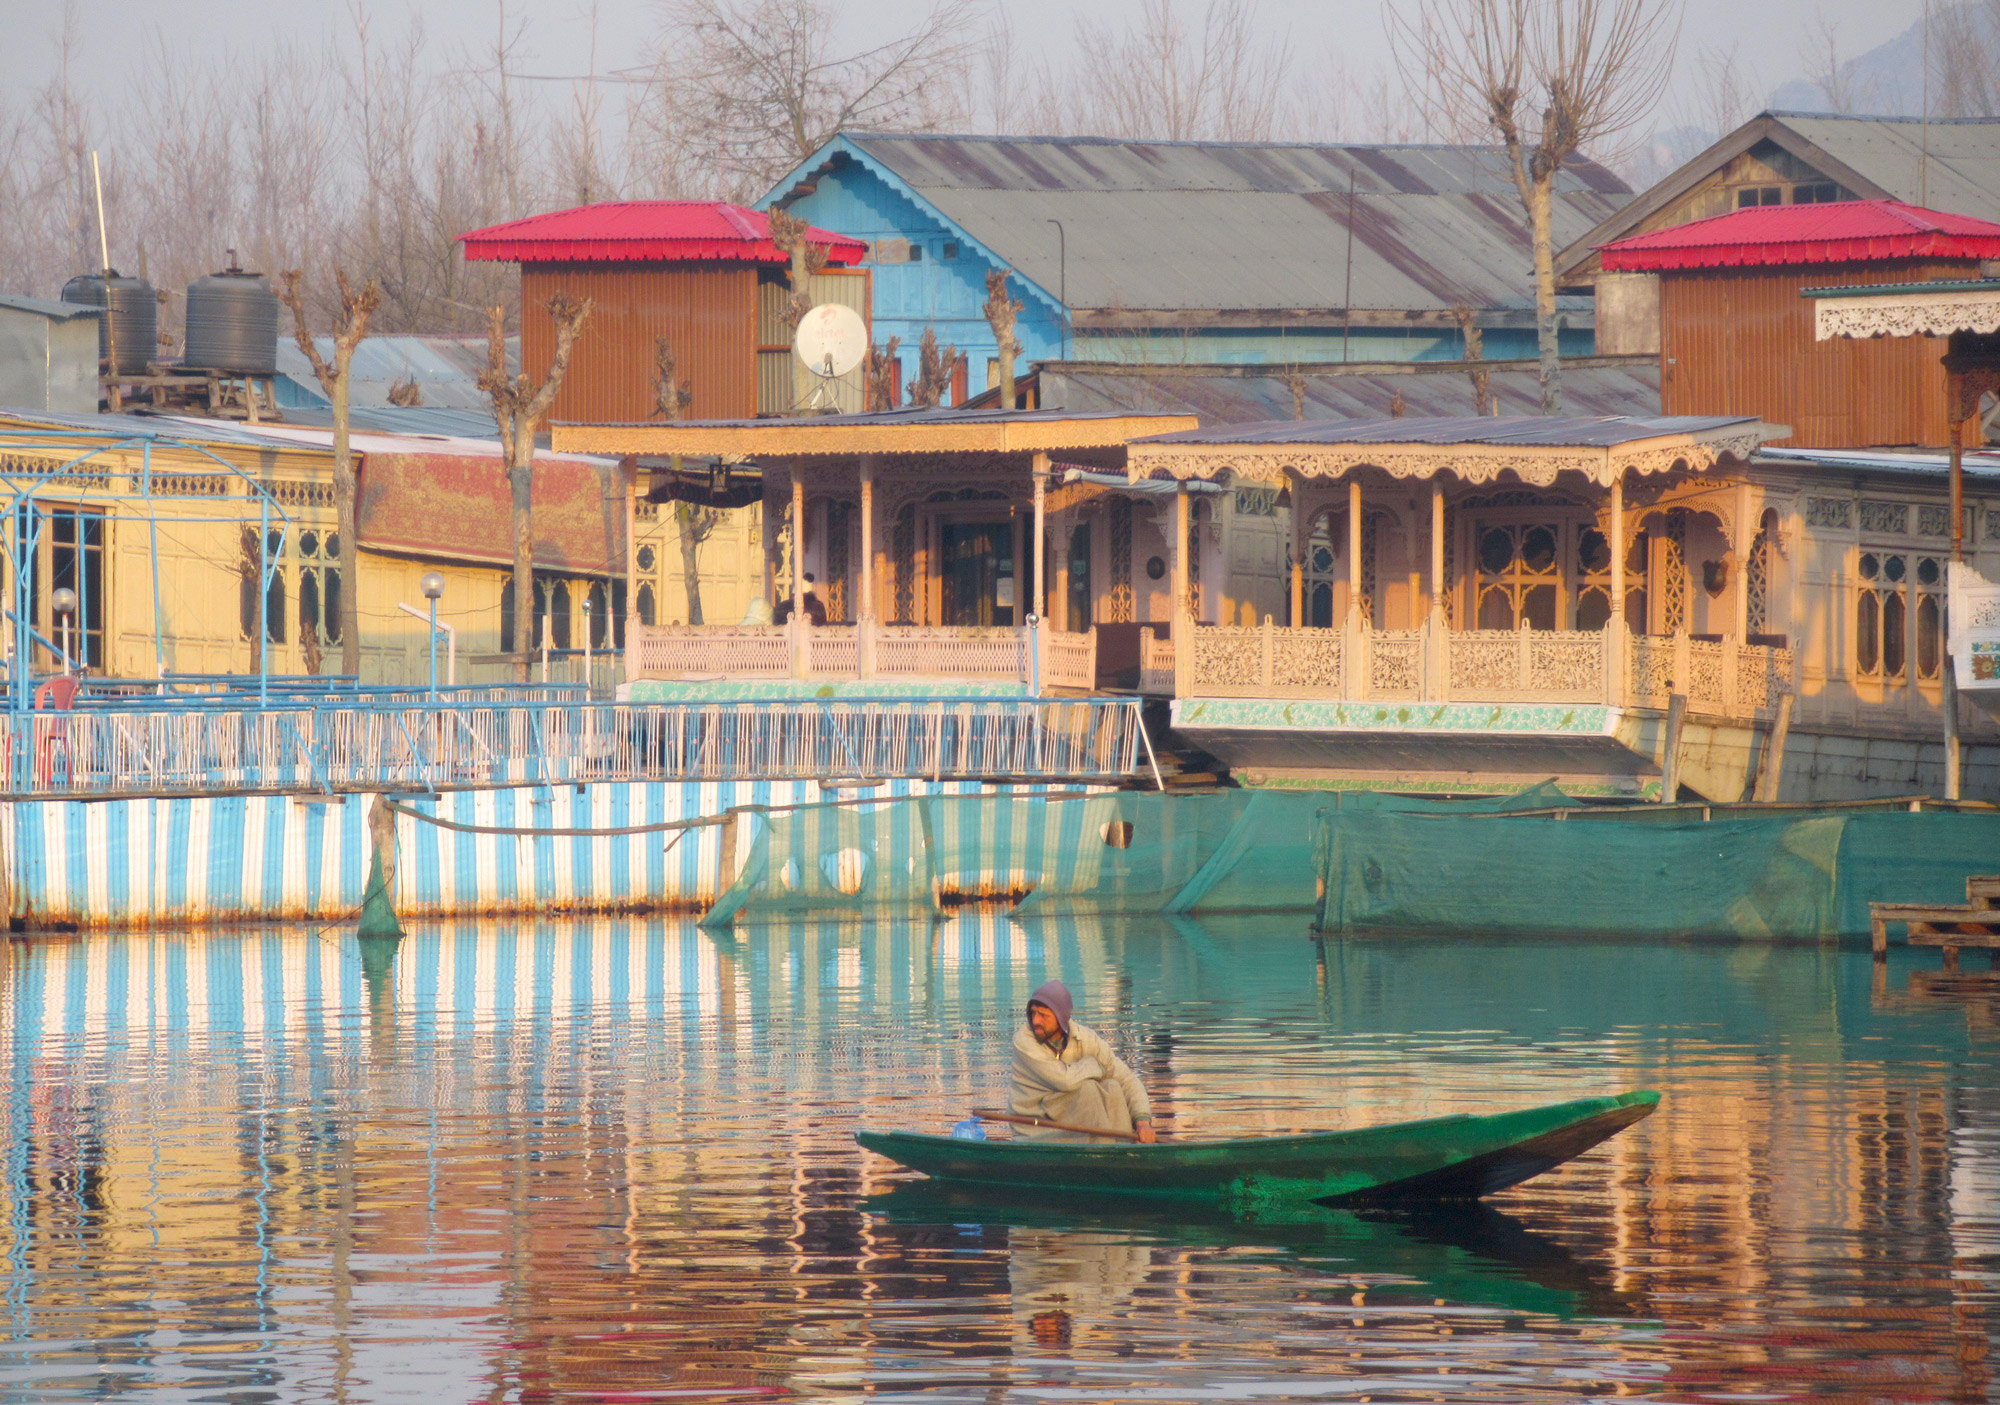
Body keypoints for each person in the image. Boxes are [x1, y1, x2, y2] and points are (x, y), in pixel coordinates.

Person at [1010, 980, 1156, 1143]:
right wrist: (1094, 1066)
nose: (1036, 1020)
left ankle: (1125, 1149)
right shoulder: (1023, 1040)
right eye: (1033, 1013)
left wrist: (1143, 1123)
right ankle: (1105, 1152)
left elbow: (1128, 1081)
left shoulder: (1086, 1039)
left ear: (1060, 1017)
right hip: (1036, 1131)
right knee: (1088, 1089)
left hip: (1076, 1125)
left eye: (1043, 1015)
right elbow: (1064, 1081)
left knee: (1112, 1086)